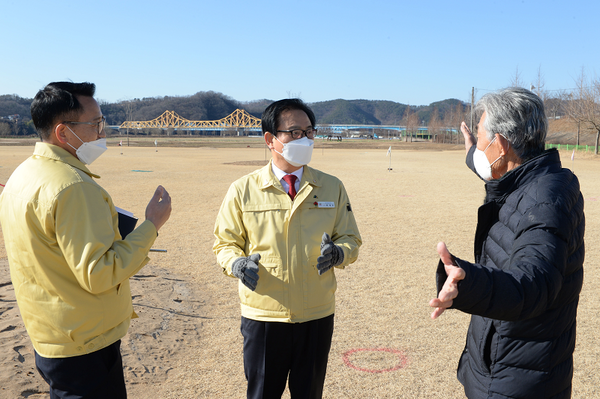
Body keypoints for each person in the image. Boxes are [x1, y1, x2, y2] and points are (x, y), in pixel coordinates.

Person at [0, 81, 172, 398]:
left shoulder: (24, 174)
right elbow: (100, 273)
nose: (102, 134)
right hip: (84, 344)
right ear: (63, 133)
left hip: (51, 333)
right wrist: (151, 224)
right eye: (96, 124)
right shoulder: (72, 186)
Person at [429, 87, 584, 399]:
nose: (478, 153)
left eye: (481, 139)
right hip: (504, 365)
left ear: (500, 144)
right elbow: (485, 166)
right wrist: (471, 148)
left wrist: (467, 283)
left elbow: (533, 284)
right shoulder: (527, 177)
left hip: (516, 380)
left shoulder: (544, 201)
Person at [213, 98, 362, 399]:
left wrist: (339, 253)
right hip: (264, 317)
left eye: (309, 132)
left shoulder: (331, 186)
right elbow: (224, 244)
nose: (304, 139)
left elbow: (351, 239)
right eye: (294, 132)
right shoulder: (243, 189)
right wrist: (237, 264)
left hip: (317, 315)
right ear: (270, 139)